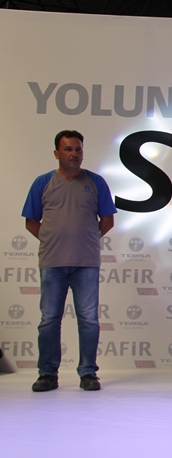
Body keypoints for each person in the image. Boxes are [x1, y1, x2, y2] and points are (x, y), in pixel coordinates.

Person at [22, 130, 117, 392]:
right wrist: (52, 239)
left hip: (86, 263)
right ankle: (47, 374)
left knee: (88, 320)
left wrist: (86, 239)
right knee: (49, 320)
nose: (74, 154)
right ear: (56, 153)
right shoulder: (43, 183)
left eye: (78, 149)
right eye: (68, 149)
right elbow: (31, 221)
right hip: (52, 263)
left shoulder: (96, 182)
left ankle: (88, 373)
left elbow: (107, 220)